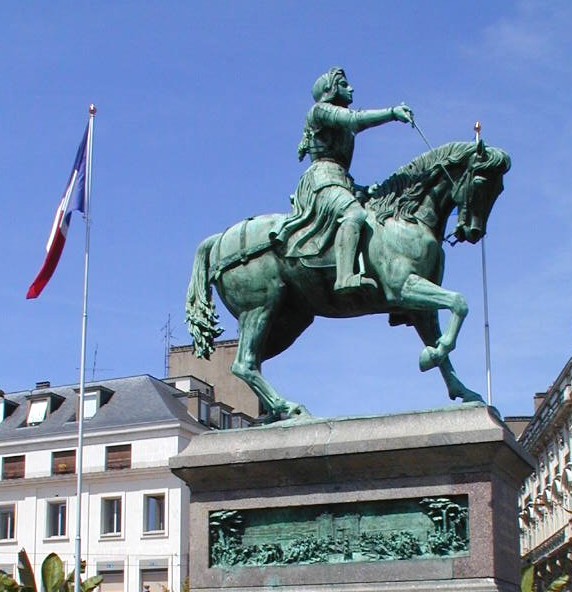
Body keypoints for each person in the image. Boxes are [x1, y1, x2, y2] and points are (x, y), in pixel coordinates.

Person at [271, 67, 413, 292]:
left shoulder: (342, 128)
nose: (351, 88)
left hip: (341, 180)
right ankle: (344, 277)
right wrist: (392, 112)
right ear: (330, 90)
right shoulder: (320, 111)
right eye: (345, 85)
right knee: (354, 214)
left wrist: (363, 189)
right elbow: (355, 120)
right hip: (321, 180)